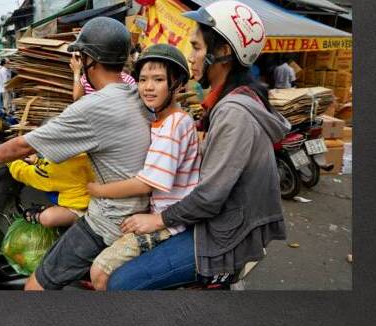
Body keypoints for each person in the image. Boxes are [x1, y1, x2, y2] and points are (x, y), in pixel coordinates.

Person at [0, 17, 151, 291]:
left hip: (109, 222)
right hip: (140, 208)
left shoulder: (92, 107)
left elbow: (22, 146)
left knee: (34, 286)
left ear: (88, 59)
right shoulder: (137, 93)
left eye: (80, 55)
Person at [106, 0, 291, 290]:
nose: (191, 56)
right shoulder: (232, 101)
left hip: (225, 234)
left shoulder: (233, 112)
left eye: (197, 47)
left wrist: (158, 220)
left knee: (120, 283)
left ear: (223, 52)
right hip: (223, 221)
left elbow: (209, 197)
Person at [87, 44, 198, 291]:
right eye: (143, 79)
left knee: (100, 271)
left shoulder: (173, 125)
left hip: (169, 223)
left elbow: (146, 183)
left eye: (158, 79)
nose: (148, 87)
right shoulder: (161, 119)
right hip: (165, 214)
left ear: (177, 83)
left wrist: (98, 190)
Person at [8, 152, 95, 227]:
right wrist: (37, 161)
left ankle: (44, 213)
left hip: (83, 206)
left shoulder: (53, 171)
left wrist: (11, 161)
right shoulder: (84, 153)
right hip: (96, 194)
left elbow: (25, 174)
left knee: (47, 218)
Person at [70, 51, 136, 102]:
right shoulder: (129, 80)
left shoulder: (89, 75)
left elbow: (77, 98)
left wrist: (77, 72)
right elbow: (77, 98)